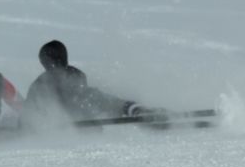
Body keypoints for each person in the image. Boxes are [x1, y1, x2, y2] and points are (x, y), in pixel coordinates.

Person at [23, 40, 153, 128]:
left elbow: (101, 99)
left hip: (85, 131)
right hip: (59, 135)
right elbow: (28, 113)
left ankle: (135, 109)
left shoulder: (73, 77)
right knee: (95, 98)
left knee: (96, 98)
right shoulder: (40, 86)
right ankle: (133, 108)